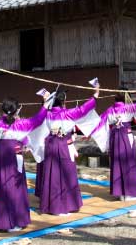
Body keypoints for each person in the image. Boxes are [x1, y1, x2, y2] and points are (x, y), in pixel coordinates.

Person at [36, 87, 100, 215]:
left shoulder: (48, 114)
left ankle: (53, 206)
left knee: (53, 175)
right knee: (65, 175)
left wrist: (44, 103)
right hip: (63, 145)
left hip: (51, 145)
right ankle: (62, 207)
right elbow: (83, 109)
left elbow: (39, 118)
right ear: (63, 101)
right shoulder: (67, 113)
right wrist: (95, 96)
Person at [0, 97, 51, 232]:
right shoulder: (20, 125)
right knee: (15, 190)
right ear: (17, 110)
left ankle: (4, 222)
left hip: (0, 159)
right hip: (13, 159)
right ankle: (14, 221)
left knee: (3, 189)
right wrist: (46, 104)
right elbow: (38, 119)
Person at [91, 89, 136, 201]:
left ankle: (120, 193)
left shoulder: (110, 110)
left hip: (115, 137)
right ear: (125, 97)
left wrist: (90, 132)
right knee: (129, 163)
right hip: (126, 137)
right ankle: (129, 193)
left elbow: (99, 123)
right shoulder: (128, 108)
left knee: (117, 163)